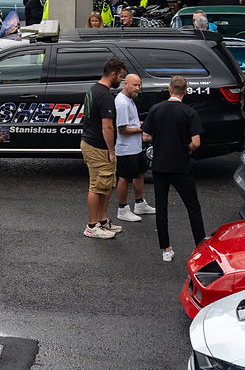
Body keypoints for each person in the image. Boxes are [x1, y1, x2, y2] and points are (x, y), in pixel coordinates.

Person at [142, 75, 206, 262]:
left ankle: (166, 249)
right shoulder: (188, 112)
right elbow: (196, 142)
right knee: (193, 207)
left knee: (161, 208)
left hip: (160, 166)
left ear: (170, 90)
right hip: (181, 166)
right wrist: (186, 150)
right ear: (185, 92)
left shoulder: (156, 109)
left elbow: (146, 136)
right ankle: (200, 248)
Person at [80, 57, 127, 239]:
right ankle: (92, 226)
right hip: (97, 146)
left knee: (106, 184)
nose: (121, 80)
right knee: (97, 185)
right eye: (121, 76)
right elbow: (107, 126)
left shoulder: (94, 89)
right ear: (113, 74)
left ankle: (102, 221)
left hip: (91, 142)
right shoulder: (105, 95)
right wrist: (112, 150)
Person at [114, 74, 157, 223]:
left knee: (140, 173)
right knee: (124, 177)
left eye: (139, 85)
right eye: (135, 85)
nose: (137, 88)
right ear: (126, 84)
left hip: (136, 147)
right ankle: (122, 209)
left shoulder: (129, 100)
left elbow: (131, 123)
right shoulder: (122, 103)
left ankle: (139, 204)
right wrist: (143, 128)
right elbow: (122, 129)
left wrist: (140, 125)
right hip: (126, 149)